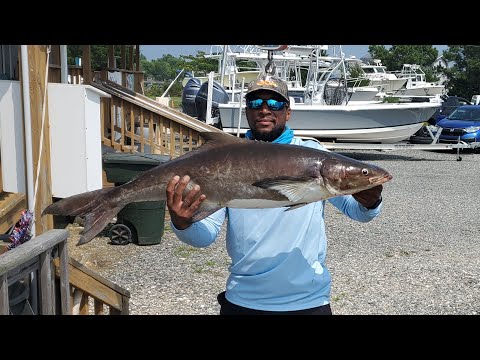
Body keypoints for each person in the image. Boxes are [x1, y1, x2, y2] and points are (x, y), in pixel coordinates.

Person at [165, 74, 384, 315]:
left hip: (309, 302)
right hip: (244, 301)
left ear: (287, 112)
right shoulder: (228, 159)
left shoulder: (314, 155)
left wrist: (371, 202)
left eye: (275, 104)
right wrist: (182, 222)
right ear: (247, 111)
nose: (265, 110)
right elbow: (203, 237)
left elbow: (358, 213)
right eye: (256, 104)